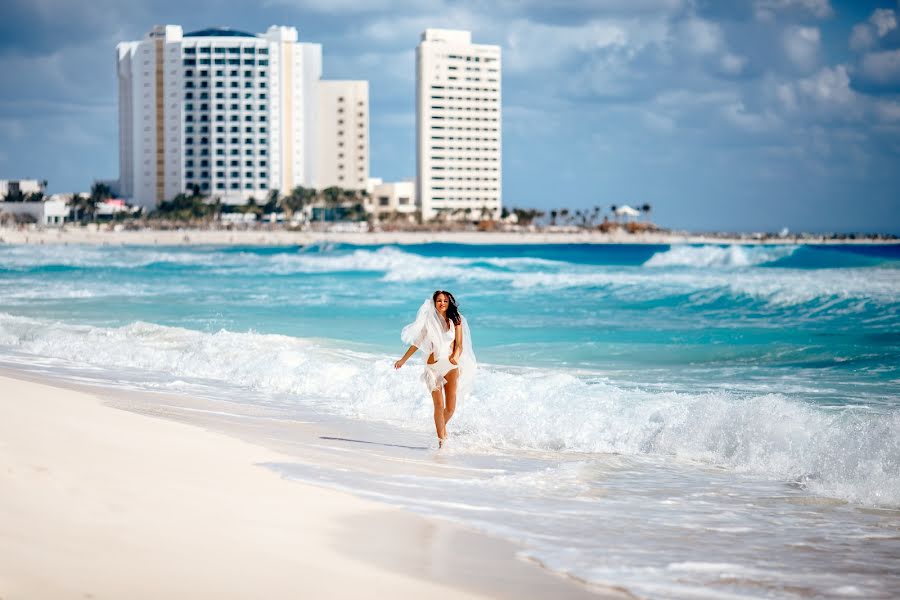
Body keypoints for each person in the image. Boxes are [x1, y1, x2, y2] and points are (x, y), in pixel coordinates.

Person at [394, 290, 476, 448]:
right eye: (439, 301)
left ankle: (440, 429)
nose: (442, 303)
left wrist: (455, 358)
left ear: (449, 302)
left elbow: (459, 345)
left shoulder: (456, 320)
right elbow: (417, 343)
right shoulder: (429, 321)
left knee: (450, 408)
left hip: (451, 367)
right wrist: (403, 360)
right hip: (433, 368)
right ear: (434, 303)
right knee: (439, 405)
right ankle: (441, 442)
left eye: (445, 301)